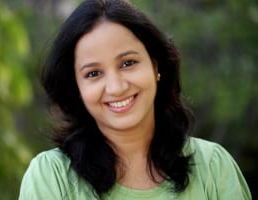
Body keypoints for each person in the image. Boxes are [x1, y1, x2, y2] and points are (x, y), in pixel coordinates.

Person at [19, 0, 252, 199]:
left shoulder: (213, 167)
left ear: (155, 65)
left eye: (128, 63)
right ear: (77, 88)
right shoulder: (52, 176)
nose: (116, 87)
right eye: (93, 73)